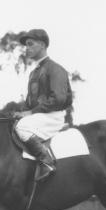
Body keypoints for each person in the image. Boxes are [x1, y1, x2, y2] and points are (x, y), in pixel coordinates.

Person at [12, 29, 72, 180]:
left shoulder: (56, 69)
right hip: (40, 116)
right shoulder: (34, 73)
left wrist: (30, 113)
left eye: (30, 44)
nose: (27, 48)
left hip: (53, 115)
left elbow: (58, 99)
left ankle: (47, 162)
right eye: (26, 45)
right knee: (13, 123)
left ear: (43, 45)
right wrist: (20, 112)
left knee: (22, 127)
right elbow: (29, 102)